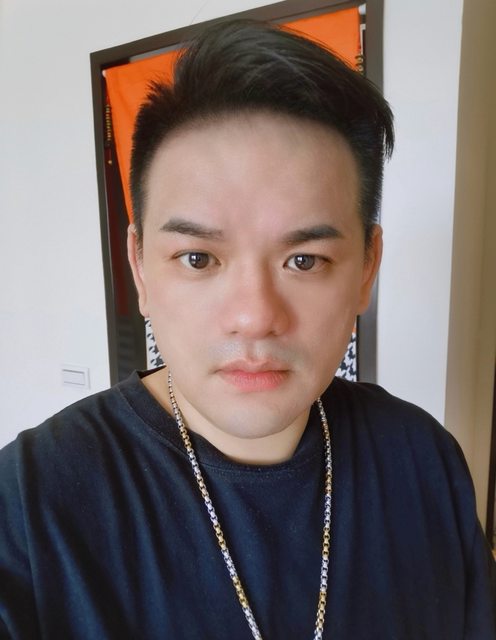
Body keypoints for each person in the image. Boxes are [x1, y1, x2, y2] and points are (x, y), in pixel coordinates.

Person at [0, 19, 494, 640]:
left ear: (366, 269)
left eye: (304, 261)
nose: (255, 316)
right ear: (140, 268)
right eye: (198, 258)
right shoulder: (29, 507)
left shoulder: (425, 462)